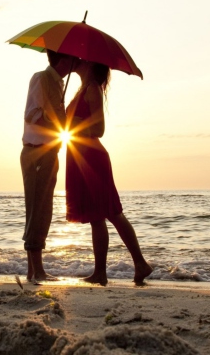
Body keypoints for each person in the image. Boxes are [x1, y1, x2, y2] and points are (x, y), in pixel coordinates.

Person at [65, 59, 153, 286]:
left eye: (81, 59)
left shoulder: (92, 88)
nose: (76, 61)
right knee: (96, 217)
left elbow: (99, 129)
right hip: (80, 156)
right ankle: (100, 273)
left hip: (92, 157)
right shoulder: (82, 88)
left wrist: (74, 122)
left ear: (90, 64)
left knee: (112, 212)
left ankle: (140, 263)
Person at [21, 49, 76, 282]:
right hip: (36, 152)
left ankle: (33, 271)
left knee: (44, 210)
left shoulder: (58, 84)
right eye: (73, 58)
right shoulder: (41, 78)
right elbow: (32, 114)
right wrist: (56, 123)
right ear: (63, 59)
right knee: (37, 209)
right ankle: (37, 271)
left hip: (49, 152)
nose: (76, 61)